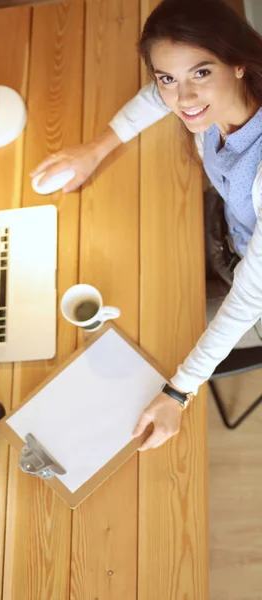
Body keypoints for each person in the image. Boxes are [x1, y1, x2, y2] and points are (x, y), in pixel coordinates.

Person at [30, 0, 262, 451]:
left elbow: (250, 297)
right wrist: (96, 149)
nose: (185, 99)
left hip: (255, 293)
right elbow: (160, 99)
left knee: (150, 345)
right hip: (234, 233)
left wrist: (179, 390)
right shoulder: (212, 103)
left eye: (201, 73)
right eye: (168, 77)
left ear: (236, 63)